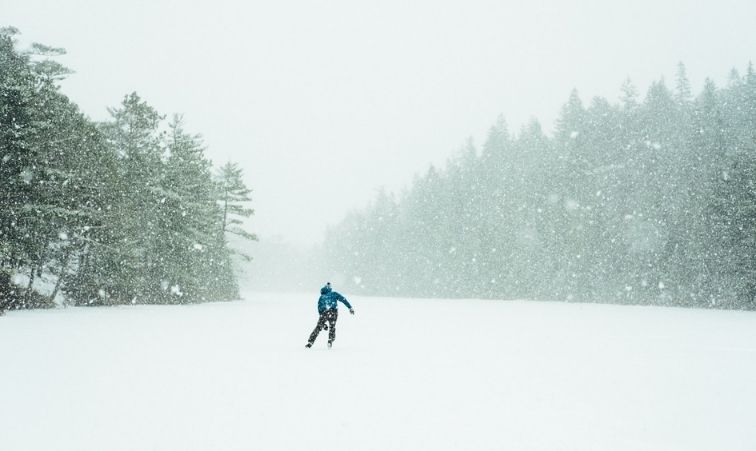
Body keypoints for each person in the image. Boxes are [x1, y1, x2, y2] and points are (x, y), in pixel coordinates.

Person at [306, 282, 354, 348]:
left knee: (318, 327)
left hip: (324, 313)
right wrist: (350, 307)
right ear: (329, 289)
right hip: (334, 312)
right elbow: (343, 299)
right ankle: (330, 340)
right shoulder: (334, 294)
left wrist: (323, 324)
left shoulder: (321, 297)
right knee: (332, 326)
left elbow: (319, 309)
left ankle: (310, 342)